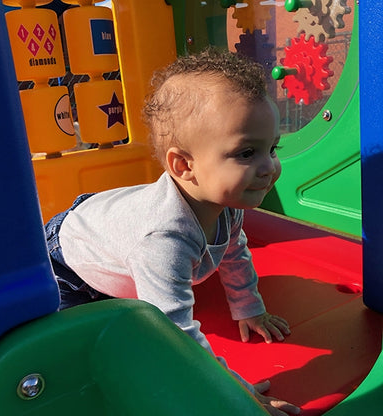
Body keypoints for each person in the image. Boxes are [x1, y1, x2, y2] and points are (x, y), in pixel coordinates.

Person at [45, 48, 300, 415]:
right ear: (184, 166)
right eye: (246, 153)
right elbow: (174, 335)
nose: (269, 167)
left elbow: (233, 252)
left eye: (271, 148)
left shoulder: (228, 206)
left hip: (114, 225)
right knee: (84, 354)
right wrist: (235, 392)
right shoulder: (164, 242)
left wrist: (249, 309)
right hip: (68, 265)